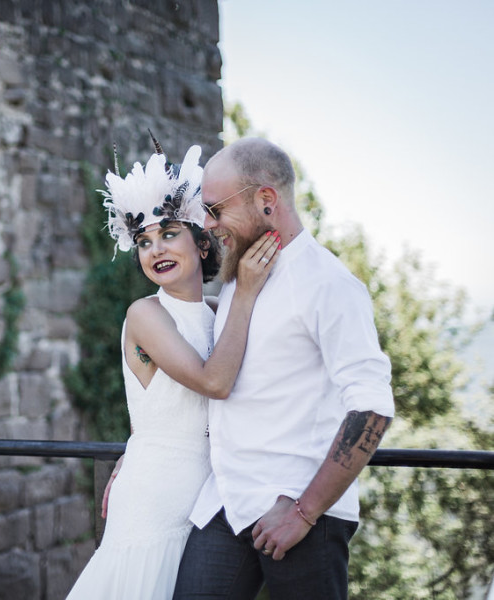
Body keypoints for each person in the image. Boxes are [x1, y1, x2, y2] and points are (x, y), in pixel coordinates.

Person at [172, 137, 396, 600]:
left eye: (215, 209)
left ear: (266, 200)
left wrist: (305, 511)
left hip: (296, 511)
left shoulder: (329, 283)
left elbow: (372, 406)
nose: (209, 224)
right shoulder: (242, 276)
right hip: (225, 502)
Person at [66, 138, 281, 599]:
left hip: (205, 503)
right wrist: (244, 291)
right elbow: (213, 381)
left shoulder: (217, 312)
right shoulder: (145, 315)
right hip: (154, 497)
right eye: (143, 241)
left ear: (202, 244)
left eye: (168, 234)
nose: (154, 249)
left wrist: (241, 295)